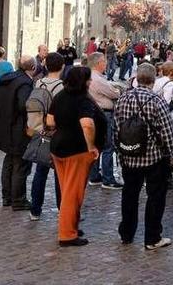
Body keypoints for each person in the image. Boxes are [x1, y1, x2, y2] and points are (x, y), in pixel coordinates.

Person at [115, 63, 173, 250]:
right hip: (153, 156)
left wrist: (119, 152)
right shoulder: (156, 100)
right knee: (155, 196)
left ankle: (126, 233)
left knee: (129, 194)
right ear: (153, 80)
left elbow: (117, 128)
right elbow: (168, 132)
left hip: (129, 155)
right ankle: (152, 237)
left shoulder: (123, 99)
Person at [47, 67, 107, 247]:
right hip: (77, 149)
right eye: (89, 79)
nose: (90, 82)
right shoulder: (83, 100)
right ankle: (67, 234)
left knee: (67, 190)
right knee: (73, 193)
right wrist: (91, 146)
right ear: (84, 82)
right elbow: (87, 124)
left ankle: (70, 225)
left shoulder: (60, 96)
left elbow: (50, 121)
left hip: (58, 146)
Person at [0, 55, 37, 211]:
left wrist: (3, 111)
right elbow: (24, 104)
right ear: (33, 68)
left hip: (6, 126)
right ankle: (18, 200)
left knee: (9, 162)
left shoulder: (8, 78)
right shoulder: (24, 82)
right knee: (20, 164)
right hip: (18, 128)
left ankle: (7, 197)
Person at [29, 52, 65, 221]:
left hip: (40, 130)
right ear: (62, 66)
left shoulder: (38, 82)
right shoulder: (61, 87)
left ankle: (35, 209)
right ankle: (62, 208)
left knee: (40, 171)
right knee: (60, 173)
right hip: (56, 133)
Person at [87, 52, 124, 190]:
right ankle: (108, 179)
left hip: (95, 113)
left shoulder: (90, 76)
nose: (106, 63)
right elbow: (114, 93)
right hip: (103, 114)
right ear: (98, 63)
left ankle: (94, 175)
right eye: (104, 61)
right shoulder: (97, 78)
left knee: (96, 145)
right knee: (108, 146)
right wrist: (117, 90)